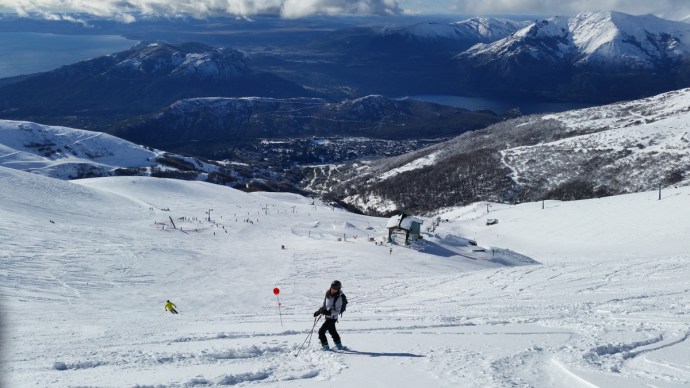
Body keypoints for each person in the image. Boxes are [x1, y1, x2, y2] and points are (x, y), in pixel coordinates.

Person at [314, 280, 345, 350]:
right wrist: (318, 312)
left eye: (336, 289)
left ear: (338, 289)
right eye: (333, 288)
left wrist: (327, 312)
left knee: (321, 331)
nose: (333, 290)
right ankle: (339, 346)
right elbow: (324, 306)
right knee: (332, 331)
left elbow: (337, 311)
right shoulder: (328, 294)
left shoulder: (339, 298)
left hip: (333, 318)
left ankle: (325, 347)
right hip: (327, 317)